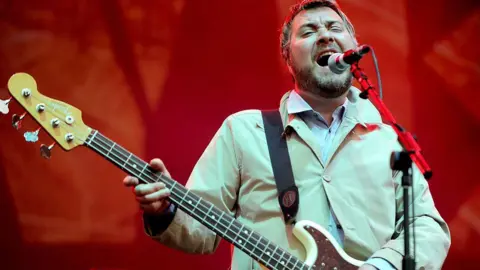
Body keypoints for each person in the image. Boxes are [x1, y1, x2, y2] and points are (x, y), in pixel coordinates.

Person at [123, 0, 451, 269]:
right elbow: (200, 231)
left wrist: (382, 267)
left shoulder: (386, 139)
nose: (325, 36)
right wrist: (165, 209)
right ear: (288, 59)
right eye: (309, 31)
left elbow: (427, 227)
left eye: (335, 28)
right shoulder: (244, 132)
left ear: (354, 48)